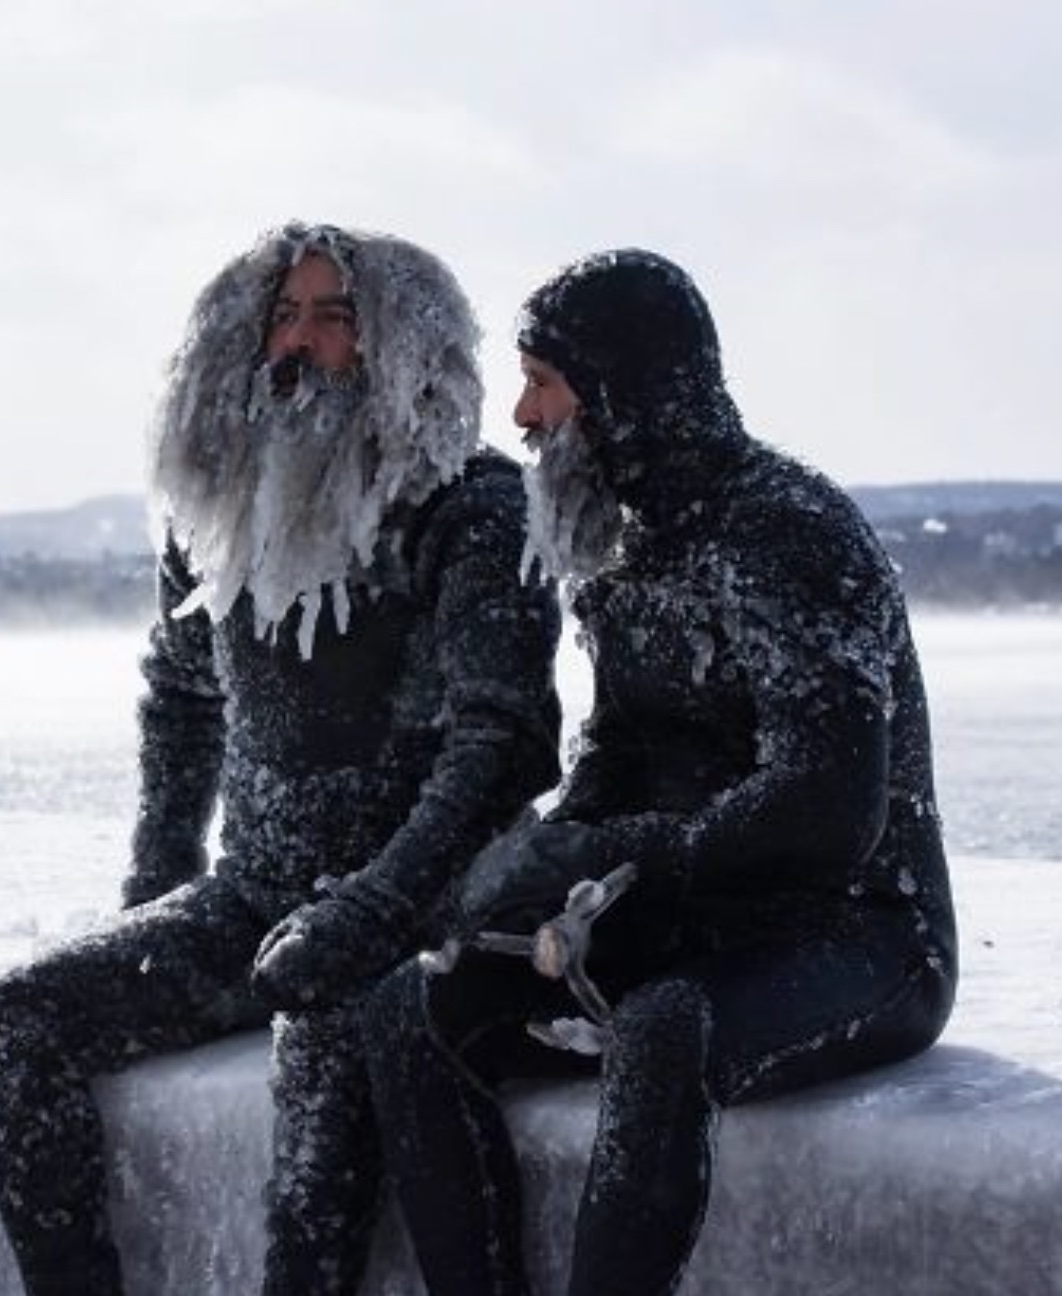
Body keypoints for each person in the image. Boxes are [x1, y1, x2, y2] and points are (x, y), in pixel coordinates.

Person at [0, 221, 563, 1296]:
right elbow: (184, 698)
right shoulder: (223, 511)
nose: (302, 342)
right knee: (14, 1023)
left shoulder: (471, 506)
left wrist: (373, 911)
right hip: (258, 896)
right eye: (283, 316)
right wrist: (154, 889)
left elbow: (505, 743)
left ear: (401, 344)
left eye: (336, 318)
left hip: (424, 917)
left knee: (321, 1089)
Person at [360, 249, 959, 1296]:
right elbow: (622, 749)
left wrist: (625, 851)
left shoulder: (786, 532)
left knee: (663, 1026)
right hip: (694, 906)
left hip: (864, 930)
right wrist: (539, 856)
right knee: (413, 1008)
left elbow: (830, 807)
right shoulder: (622, 538)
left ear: (621, 391)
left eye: (543, 381)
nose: (522, 412)